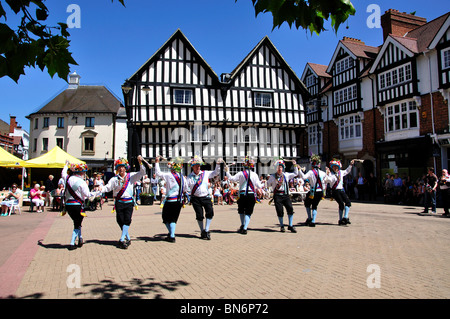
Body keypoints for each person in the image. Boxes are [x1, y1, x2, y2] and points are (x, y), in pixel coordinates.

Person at [101, 156, 147, 249]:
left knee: (127, 220)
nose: (121, 169)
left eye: (122, 167)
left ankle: (122, 239)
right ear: (117, 169)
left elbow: (142, 172)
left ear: (125, 168)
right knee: (120, 220)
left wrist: (140, 162)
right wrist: (98, 190)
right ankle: (128, 238)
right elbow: (107, 187)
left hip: (129, 202)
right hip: (119, 202)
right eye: (119, 167)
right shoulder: (114, 179)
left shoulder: (131, 176)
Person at [186, 155, 222, 240]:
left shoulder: (205, 173)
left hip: (206, 197)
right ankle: (202, 231)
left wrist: (217, 164)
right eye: (196, 165)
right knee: (199, 215)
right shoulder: (189, 177)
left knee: (210, 212)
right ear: (192, 167)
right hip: (195, 198)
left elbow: (215, 173)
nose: (198, 167)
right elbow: (185, 187)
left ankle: (206, 230)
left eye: (199, 165)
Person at [226, 156, 262, 234]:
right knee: (248, 211)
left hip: (242, 194)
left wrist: (227, 172)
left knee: (241, 210)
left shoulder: (241, 173)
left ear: (244, 165)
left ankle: (242, 225)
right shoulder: (254, 175)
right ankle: (245, 228)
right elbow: (259, 186)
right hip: (251, 194)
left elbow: (232, 179)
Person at [155, 156, 188, 243]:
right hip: (179, 201)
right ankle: (171, 235)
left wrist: (157, 162)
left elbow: (158, 173)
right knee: (173, 219)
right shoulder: (183, 178)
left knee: (165, 218)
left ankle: (172, 234)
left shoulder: (168, 175)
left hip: (170, 201)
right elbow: (185, 189)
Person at [61, 161, 92, 250]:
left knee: (76, 222)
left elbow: (63, 173)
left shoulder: (67, 178)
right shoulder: (82, 182)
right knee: (77, 223)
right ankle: (71, 243)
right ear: (81, 172)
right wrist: (97, 193)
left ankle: (80, 237)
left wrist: (66, 165)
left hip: (67, 205)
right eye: (84, 172)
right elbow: (87, 195)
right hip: (78, 205)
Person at [267, 157, 299, 232]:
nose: (279, 169)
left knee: (290, 209)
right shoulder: (272, 176)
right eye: (278, 167)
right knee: (280, 211)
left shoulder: (286, 175)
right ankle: (282, 226)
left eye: (281, 167)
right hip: (277, 196)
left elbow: (295, 173)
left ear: (283, 168)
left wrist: (294, 165)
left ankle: (290, 225)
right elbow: (268, 185)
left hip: (285, 195)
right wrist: (269, 184)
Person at [297, 154, 326, 227]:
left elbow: (303, 177)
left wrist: (299, 170)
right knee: (315, 206)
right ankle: (313, 221)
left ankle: (310, 218)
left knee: (307, 203)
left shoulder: (310, 172)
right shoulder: (323, 173)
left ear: (312, 165)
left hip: (313, 192)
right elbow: (326, 181)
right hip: (320, 192)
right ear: (319, 165)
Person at [326, 159, 354, 225]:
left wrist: (350, 165)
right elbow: (328, 180)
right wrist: (327, 174)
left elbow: (347, 171)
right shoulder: (331, 174)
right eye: (334, 167)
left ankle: (345, 217)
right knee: (341, 204)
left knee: (348, 202)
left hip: (341, 190)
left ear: (338, 167)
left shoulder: (341, 172)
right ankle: (341, 220)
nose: (335, 168)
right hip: (335, 191)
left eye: (336, 166)